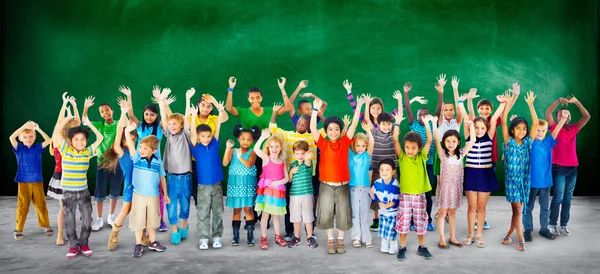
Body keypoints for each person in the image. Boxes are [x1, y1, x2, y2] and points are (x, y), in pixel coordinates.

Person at [310, 95, 362, 255]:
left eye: (336, 129)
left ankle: (340, 240)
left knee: (343, 214)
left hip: (343, 185)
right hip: (326, 185)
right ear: (326, 131)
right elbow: (312, 128)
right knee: (325, 214)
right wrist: (314, 110)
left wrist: (359, 106)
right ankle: (330, 240)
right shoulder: (323, 143)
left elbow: (353, 125)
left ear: (341, 131)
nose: (333, 132)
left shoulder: (345, 142)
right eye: (330, 129)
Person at [52, 113, 104, 259]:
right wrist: (67, 119)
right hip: (68, 192)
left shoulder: (88, 152)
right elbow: (56, 132)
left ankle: (84, 243)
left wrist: (90, 124)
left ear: (86, 141)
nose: (80, 142)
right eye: (76, 139)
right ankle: (73, 246)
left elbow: (100, 138)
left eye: (83, 139)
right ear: (71, 141)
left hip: (84, 192)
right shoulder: (65, 150)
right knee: (69, 220)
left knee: (87, 220)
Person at [462, 94, 507, 248]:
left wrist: (502, 103)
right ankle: (470, 234)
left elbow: (494, 119)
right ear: (471, 128)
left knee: (481, 207)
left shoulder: (489, 136)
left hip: (486, 174)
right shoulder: (469, 137)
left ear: (487, 128)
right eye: (476, 127)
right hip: (471, 173)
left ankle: (479, 235)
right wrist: (462, 102)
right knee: (471, 207)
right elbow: (465, 117)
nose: (479, 130)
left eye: (482, 127)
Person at [392, 110, 434, 261]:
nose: (410, 150)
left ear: (418, 148)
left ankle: (421, 247)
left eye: (413, 148)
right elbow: (395, 140)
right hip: (405, 196)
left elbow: (429, 141)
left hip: (419, 197)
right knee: (403, 222)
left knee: (420, 221)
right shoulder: (402, 157)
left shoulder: (422, 156)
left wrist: (428, 124)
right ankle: (402, 247)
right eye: (408, 147)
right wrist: (397, 122)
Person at [545, 95, 590, 236]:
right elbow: (548, 112)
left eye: (567, 113)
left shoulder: (573, 129)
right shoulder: (553, 127)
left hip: (572, 169)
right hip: (558, 168)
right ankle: (552, 224)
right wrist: (558, 101)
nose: (564, 114)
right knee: (558, 197)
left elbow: (586, 116)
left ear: (569, 118)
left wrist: (576, 102)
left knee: (567, 198)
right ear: (557, 117)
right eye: (560, 114)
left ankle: (563, 224)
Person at [124, 123, 168, 257]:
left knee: (153, 220)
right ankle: (138, 244)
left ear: (153, 150)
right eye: (141, 147)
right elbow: (131, 145)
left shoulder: (158, 162)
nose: (141, 150)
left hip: (154, 196)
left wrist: (165, 195)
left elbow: (162, 179)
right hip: (139, 195)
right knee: (138, 219)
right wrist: (127, 130)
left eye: (145, 148)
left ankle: (153, 242)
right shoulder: (137, 157)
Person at [523, 110, 567, 241]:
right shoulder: (529, 143)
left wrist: (563, 119)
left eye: (543, 131)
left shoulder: (548, 143)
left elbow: (555, 131)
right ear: (533, 130)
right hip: (530, 182)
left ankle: (544, 229)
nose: (540, 133)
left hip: (546, 182)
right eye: (538, 130)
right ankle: (527, 230)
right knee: (528, 207)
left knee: (545, 207)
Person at [432, 117, 475, 249]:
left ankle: (452, 237)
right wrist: (434, 124)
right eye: (448, 141)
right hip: (445, 189)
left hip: (456, 189)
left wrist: (471, 126)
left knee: (452, 213)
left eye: (454, 141)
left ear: (458, 142)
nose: (451, 143)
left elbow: (472, 140)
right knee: (442, 213)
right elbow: (435, 139)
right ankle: (441, 238)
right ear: (444, 142)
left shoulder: (461, 154)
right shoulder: (442, 154)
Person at [105, 100, 142, 251]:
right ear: (122, 140)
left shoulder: (138, 150)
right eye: (128, 139)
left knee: (141, 211)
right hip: (130, 186)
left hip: (142, 185)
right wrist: (122, 112)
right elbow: (121, 129)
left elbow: (131, 130)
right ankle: (114, 233)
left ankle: (143, 235)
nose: (131, 141)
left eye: (133, 139)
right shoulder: (120, 152)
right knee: (126, 209)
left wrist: (128, 114)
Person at [190, 100, 226, 250]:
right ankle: (203, 238)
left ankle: (217, 237)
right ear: (198, 137)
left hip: (216, 185)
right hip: (203, 187)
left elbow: (218, 126)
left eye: (208, 136)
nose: (206, 139)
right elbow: (192, 132)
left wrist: (220, 110)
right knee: (203, 213)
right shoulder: (195, 147)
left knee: (218, 212)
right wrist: (193, 116)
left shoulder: (215, 144)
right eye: (203, 136)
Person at [157, 93, 193, 245]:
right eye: (170, 124)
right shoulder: (169, 135)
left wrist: (187, 99)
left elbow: (185, 116)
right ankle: (174, 229)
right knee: (171, 204)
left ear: (182, 126)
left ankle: (184, 225)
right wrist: (161, 102)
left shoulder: (185, 134)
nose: (171, 126)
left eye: (175, 124)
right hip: (171, 177)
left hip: (185, 177)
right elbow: (165, 120)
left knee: (185, 204)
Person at [83, 95, 122, 231]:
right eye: (102, 112)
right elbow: (85, 122)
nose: (105, 113)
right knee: (99, 192)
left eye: (107, 110)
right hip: (101, 163)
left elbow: (125, 125)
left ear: (112, 111)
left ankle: (111, 216)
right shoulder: (99, 125)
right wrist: (86, 107)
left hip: (117, 163)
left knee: (115, 191)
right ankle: (99, 219)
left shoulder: (118, 124)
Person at [48, 92, 81, 246]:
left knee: (71, 207)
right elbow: (58, 123)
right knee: (64, 208)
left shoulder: (74, 141)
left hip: (73, 175)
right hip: (62, 176)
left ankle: (70, 233)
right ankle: (60, 234)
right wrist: (64, 106)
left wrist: (73, 106)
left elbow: (78, 122)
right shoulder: (58, 140)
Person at [10, 120, 53, 241]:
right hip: (23, 182)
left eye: (30, 136)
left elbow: (49, 141)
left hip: (37, 181)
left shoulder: (37, 147)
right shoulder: (19, 148)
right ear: (21, 139)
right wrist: (23, 126)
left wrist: (38, 129)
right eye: (25, 137)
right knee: (23, 206)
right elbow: (11, 137)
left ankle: (45, 225)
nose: (28, 139)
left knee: (41, 205)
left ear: (34, 137)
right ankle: (18, 228)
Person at [404, 81, 437, 231]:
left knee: (427, 193)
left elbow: (439, 110)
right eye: (420, 115)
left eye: (426, 115)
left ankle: (428, 219)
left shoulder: (432, 124)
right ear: (416, 117)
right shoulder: (414, 125)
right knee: (413, 194)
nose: (423, 117)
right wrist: (406, 93)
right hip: (414, 165)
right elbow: (409, 109)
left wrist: (440, 93)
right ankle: (411, 220)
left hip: (428, 164)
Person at [223, 125, 261, 246]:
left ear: (253, 141)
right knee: (237, 210)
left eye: (249, 139)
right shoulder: (233, 151)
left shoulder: (253, 152)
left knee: (248, 209)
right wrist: (227, 149)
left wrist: (240, 157)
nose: (245, 141)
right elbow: (225, 163)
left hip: (248, 186)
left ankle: (250, 236)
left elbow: (249, 165)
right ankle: (236, 237)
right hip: (235, 186)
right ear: (238, 139)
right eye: (243, 138)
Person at [254, 129, 289, 250]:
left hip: (278, 191)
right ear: (268, 148)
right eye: (272, 146)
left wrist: (277, 182)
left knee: (276, 216)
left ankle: (278, 237)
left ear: (281, 148)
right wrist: (262, 137)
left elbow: (286, 178)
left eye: (277, 146)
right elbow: (256, 149)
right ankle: (263, 238)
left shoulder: (282, 161)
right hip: (267, 192)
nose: (274, 149)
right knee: (265, 215)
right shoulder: (266, 159)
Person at [287, 141, 317, 248]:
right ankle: (296, 238)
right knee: (296, 218)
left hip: (307, 194)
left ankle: (310, 237)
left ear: (307, 153)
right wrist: (291, 172)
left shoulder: (308, 163)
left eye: (303, 153)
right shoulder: (293, 165)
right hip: (294, 195)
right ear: (294, 153)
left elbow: (308, 162)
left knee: (308, 217)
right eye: (298, 153)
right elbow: (289, 180)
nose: (300, 156)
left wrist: (307, 158)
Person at [348, 124, 374, 248]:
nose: (360, 148)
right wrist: (347, 126)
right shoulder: (350, 155)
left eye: (363, 145)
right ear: (353, 145)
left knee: (364, 214)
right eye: (358, 145)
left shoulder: (366, 156)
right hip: (353, 189)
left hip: (365, 189)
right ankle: (356, 237)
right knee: (355, 214)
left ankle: (367, 237)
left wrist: (368, 131)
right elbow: (345, 138)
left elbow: (372, 144)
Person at [370, 158, 400, 255]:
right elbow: (373, 195)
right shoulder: (377, 183)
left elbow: (396, 200)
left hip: (392, 213)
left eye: (387, 169)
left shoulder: (395, 185)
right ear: (379, 171)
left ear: (393, 171)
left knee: (391, 229)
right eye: (382, 169)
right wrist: (373, 196)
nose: (384, 172)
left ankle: (393, 244)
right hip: (382, 212)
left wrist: (386, 205)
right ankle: (384, 243)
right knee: (383, 228)